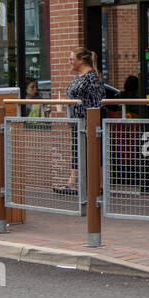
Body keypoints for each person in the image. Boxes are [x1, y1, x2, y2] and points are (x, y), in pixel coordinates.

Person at [59, 46, 104, 194]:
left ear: (82, 60)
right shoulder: (78, 76)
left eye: (72, 59)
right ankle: (73, 182)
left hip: (86, 121)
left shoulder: (91, 78)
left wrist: (90, 119)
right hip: (77, 121)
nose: (69, 62)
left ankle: (97, 184)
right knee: (77, 149)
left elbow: (97, 100)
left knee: (92, 150)